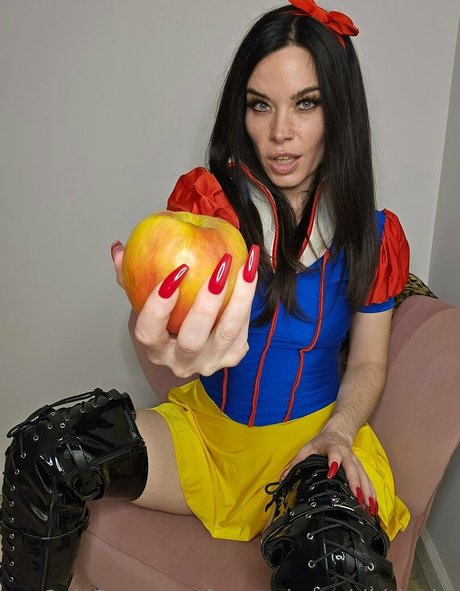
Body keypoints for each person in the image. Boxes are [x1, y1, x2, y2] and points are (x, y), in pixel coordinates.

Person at [0, 1, 410, 590]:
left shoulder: (376, 236)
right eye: (260, 104)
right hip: (207, 442)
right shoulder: (209, 210)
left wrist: (339, 432)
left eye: (306, 103)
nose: (280, 132)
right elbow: (174, 337)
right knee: (45, 451)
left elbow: (368, 363)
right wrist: (161, 336)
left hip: (312, 449)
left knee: (338, 564)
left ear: (340, 111)